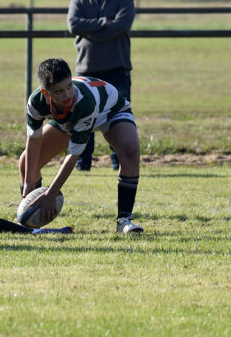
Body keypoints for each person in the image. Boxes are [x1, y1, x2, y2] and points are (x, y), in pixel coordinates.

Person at [19, 58, 143, 234]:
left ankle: (124, 220)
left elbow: (74, 154)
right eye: (59, 91)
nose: (67, 94)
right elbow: (34, 140)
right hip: (69, 120)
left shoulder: (84, 102)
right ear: (45, 94)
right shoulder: (36, 102)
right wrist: (29, 183)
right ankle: (32, 223)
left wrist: (51, 193)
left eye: (69, 86)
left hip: (110, 111)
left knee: (130, 151)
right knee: (26, 164)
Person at [67, 0, 135, 172]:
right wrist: (104, 23)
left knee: (119, 118)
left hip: (117, 69)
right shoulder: (78, 1)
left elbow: (122, 26)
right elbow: (74, 25)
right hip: (87, 70)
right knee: (83, 118)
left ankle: (120, 162)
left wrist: (91, 33)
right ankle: (82, 163)